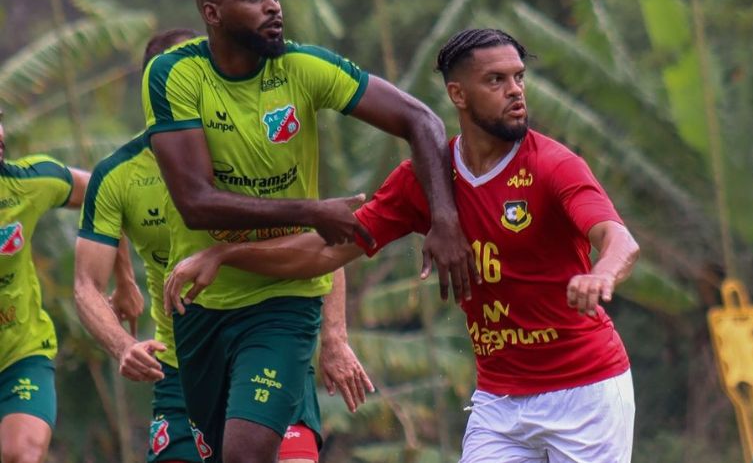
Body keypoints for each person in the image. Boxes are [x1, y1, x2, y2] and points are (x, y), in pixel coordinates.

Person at [165, 28, 641, 463]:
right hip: (500, 401)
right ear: (458, 94)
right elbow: (325, 254)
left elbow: (618, 238)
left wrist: (603, 272)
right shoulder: (424, 179)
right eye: (495, 80)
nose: (515, 90)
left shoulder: (554, 166)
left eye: (519, 77)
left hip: (586, 391)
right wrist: (224, 254)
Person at [142, 0, 474, 463]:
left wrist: (446, 220)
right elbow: (196, 204)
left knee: (246, 454)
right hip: (203, 305)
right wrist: (314, 210)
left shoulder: (303, 66)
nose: (273, 7)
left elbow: (421, 119)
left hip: (285, 297)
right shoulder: (175, 75)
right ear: (212, 13)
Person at [75, 28, 370, 463]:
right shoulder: (117, 176)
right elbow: (84, 284)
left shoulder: (255, 152)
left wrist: (335, 338)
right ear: (156, 90)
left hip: (271, 337)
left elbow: (320, 242)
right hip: (183, 364)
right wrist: (123, 344)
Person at [0, 110, 136, 463]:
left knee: (21, 453)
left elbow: (103, 192)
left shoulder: (27, 183)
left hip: (20, 356)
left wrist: (123, 279)